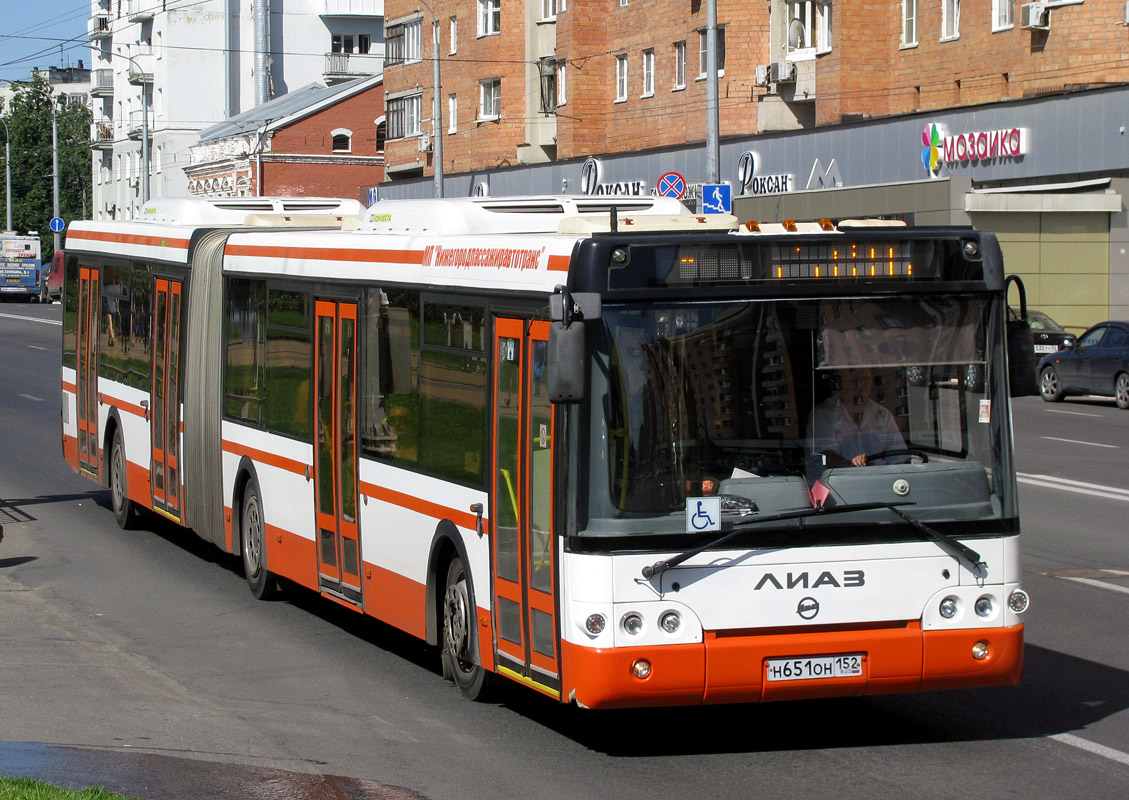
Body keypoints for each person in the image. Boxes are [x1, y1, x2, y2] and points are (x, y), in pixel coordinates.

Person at [806, 366, 907, 481]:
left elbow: (898, 459)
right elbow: (827, 457)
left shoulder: (882, 415)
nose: (861, 386)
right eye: (855, 381)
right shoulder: (823, 415)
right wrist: (856, 468)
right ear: (841, 384)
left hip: (878, 485)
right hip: (836, 489)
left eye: (866, 379)